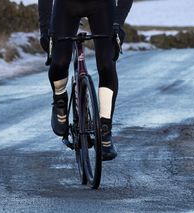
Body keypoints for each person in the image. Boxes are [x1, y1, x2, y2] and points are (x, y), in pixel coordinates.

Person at [37, 0, 133, 161]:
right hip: (66, 6)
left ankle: (104, 131)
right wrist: (45, 30)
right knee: (59, 62)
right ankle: (60, 100)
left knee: (107, 65)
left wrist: (118, 23)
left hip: (102, 6)